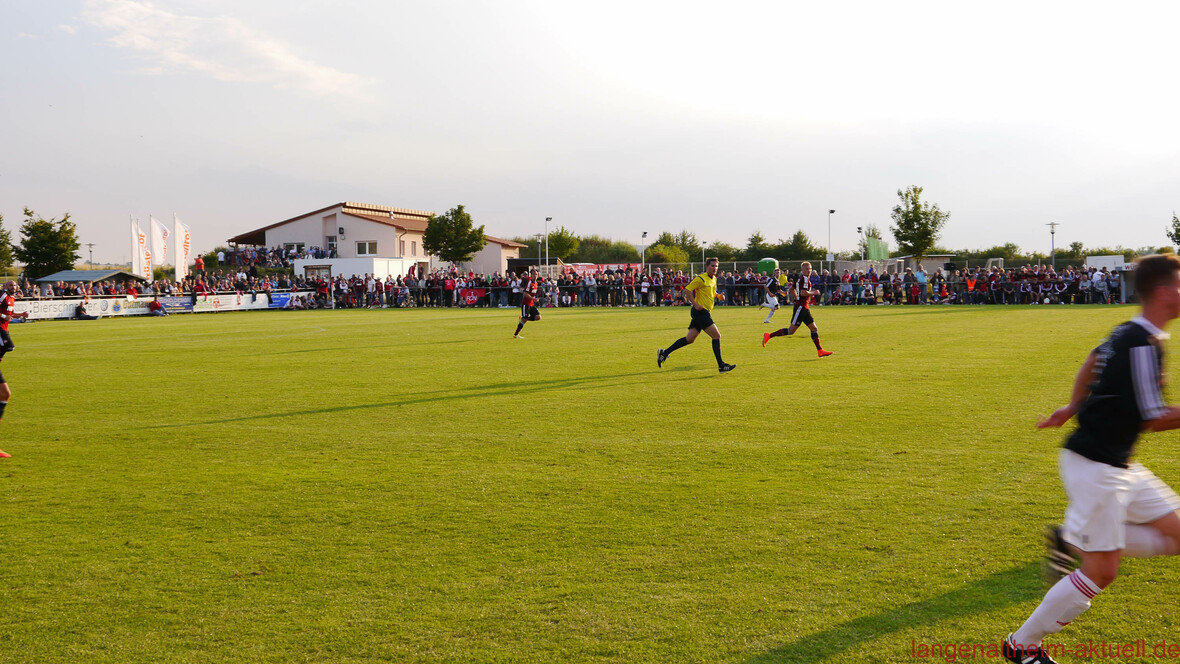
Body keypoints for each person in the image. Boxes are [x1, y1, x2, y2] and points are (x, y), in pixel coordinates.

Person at [1000, 253, 1180, 664]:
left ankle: (1073, 536)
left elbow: (1092, 359)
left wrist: (1071, 406)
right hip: (1097, 468)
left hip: (1117, 465)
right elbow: (1153, 417)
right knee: (1102, 571)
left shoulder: (1129, 333)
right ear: (1165, 292)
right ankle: (1022, 647)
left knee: (1177, 535)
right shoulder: (1140, 343)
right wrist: (1073, 408)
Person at [657, 258, 735, 373]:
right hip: (700, 312)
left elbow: (711, 293)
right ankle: (721, 365)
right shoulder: (700, 278)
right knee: (716, 336)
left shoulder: (713, 279)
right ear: (707, 266)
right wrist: (695, 304)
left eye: (716, 266)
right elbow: (687, 290)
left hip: (704, 312)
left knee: (690, 339)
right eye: (712, 266)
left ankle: (664, 352)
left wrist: (719, 296)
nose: (715, 268)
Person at [762, 262, 833, 357]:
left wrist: (796, 297)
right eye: (807, 269)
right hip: (800, 307)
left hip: (804, 307)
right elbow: (803, 293)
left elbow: (791, 289)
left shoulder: (801, 278)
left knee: (814, 328)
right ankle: (769, 335)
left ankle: (820, 350)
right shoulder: (804, 278)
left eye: (810, 269)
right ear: (802, 270)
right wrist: (814, 292)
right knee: (791, 331)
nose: (809, 270)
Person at [0, 281, 29, 459]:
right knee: (9, 346)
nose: (13, 286)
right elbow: (4, 316)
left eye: (15, 285)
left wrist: (19, 315)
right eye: (10, 284)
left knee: (5, 394)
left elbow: (9, 315)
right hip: (0, 329)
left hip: (3, 329)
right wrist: (4, 318)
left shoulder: (11, 299)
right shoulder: (2, 295)